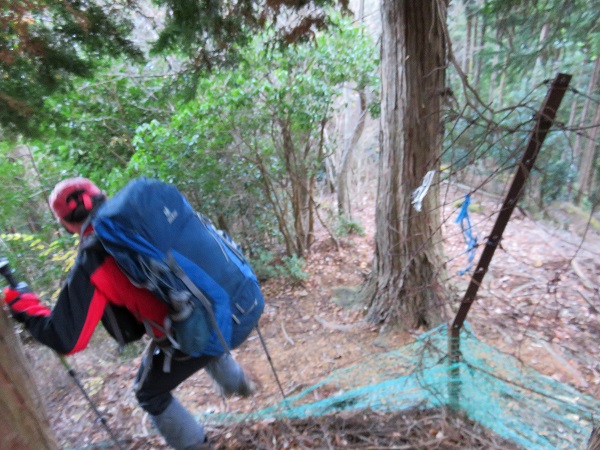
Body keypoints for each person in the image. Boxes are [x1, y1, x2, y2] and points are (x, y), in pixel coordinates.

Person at [2, 177, 260, 450]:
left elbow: (68, 339)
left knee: (148, 392)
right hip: (242, 304)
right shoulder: (148, 217)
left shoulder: (94, 256)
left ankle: (196, 446)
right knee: (197, 323)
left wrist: (23, 304)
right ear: (102, 195)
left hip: (206, 331)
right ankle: (240, 384)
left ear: (67, 225)